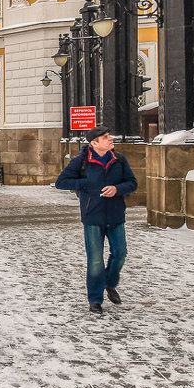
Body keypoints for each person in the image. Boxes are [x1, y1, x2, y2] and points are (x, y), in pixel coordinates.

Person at [54, 126, 138, 314]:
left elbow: (132, 183)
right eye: (106, 137)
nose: (110, 139)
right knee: (95, 260)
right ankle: (95, 299)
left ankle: (110, 282)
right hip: (92, 216)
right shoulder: (81, 161)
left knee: (121, 253)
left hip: (116, 215)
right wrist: (85, 184)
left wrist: (117, 189)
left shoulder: (119, 159)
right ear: (94, 143)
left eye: (109, 136)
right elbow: (61, 182)